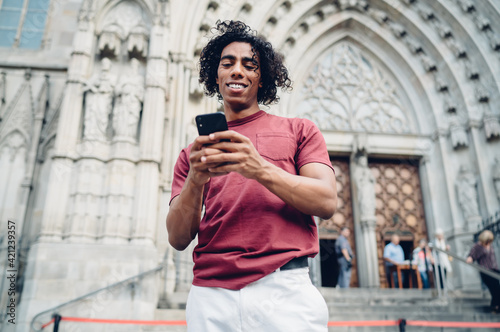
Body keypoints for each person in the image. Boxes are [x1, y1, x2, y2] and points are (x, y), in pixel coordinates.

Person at [166, 20, 337, 331]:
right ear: (214, 75)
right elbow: (178, 238)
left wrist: (258, 168)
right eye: (227, 63)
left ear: (263, 77)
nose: (237, 70)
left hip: (285, 290)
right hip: (210, 296)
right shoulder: (193, 153)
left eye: (249, 64)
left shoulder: (300, 130)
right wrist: (196, 179)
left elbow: (326, 201)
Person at [466, 230, 500, 313]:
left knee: (497, 289)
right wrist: (470, 259)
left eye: (490, 241)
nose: (489, 242)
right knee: (495, 289)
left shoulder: (489, 245)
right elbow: (470, 257)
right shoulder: (477, 246)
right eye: (487, 240)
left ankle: (495, 306)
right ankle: (495, 307)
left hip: (494, 270)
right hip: (486, 271)